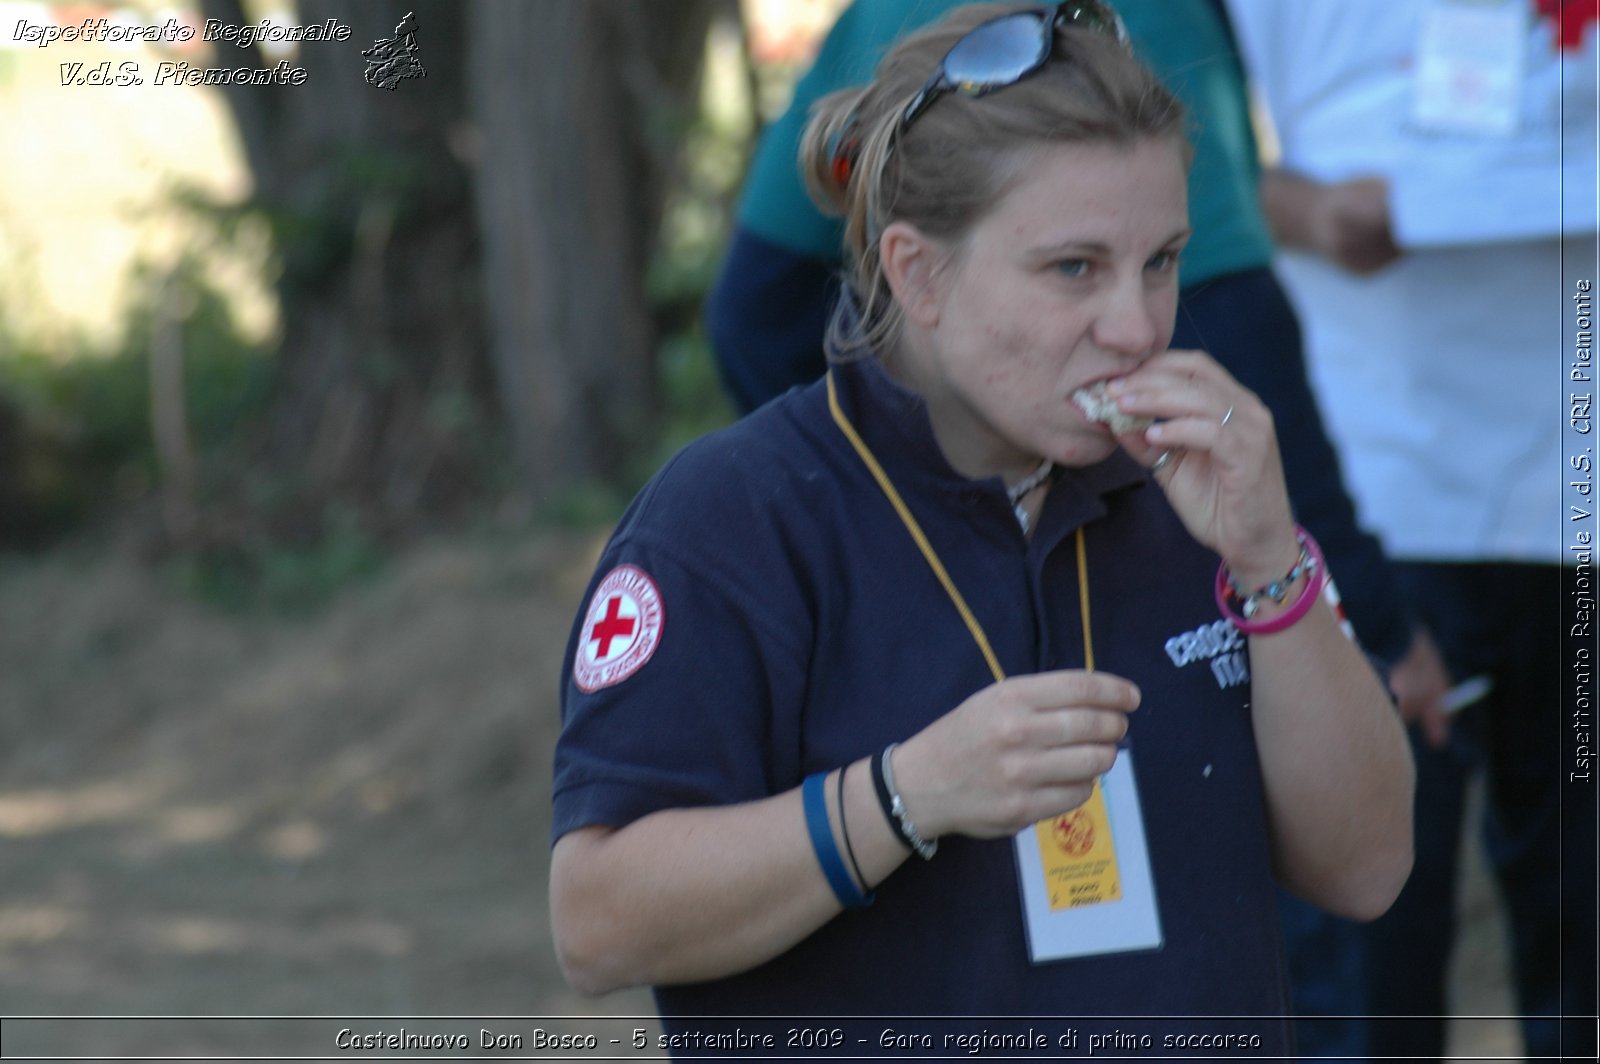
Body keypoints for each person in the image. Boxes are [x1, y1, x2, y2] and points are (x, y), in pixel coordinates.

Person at [549, 3, 1414, 1053]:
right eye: (1073, 269)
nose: (1138, 326)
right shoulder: (733, 518)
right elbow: (596, 921)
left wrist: (1273, 562)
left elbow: (1367, 867)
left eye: (1161, 259)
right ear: (918, 274)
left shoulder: (1189, 490)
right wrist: (905, 794)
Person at [1224, 1, 1600, 1060]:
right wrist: (1299, 208)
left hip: (1577, 491)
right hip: (1369, 487)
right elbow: (1164, 149)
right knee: (1370, 939)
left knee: (1582, 935)